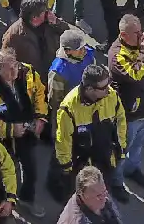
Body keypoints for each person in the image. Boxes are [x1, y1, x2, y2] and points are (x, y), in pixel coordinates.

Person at [0, 48, 48, 217]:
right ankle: (5, 203)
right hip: (4, 142)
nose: (15, 71)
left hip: (27, 135)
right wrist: (11, 129)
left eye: (16, 65)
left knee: (31, 170)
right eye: (9, 68)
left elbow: (39, 93)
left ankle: (27, 199)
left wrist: (40, 117)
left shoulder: (28, 72)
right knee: (4, 174)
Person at [54, 64, 128, 203]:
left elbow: (121, 121)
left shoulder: (112, 96)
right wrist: (66, 166)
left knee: (102, 185)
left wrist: (121, 147)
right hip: (79, 157)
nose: (108, 89)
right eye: (103, 87)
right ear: (89, 89)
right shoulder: (69, 108)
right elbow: (63, 139)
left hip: (103, 154)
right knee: (78, 192)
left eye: (108, 84)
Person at [108, 13, 144, 190]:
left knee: (138, 147)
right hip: (129, 116)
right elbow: (136, 75)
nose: (142, 35)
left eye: (141, 31)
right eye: (137, 33)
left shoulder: (141, 44)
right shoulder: (117, 55)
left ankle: (132, 170)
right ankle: (116, 182)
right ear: (124, 35)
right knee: (122, 151)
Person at [0, 0, 66, 79]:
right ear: (34, 17)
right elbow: (6, 61)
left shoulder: (51, 22)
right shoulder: (14, 35)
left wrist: (57, 23)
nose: (48, 13)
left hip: (52, 73)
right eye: (45, 11)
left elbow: (71, 34)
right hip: (32, 80)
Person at [55, 166, 126, 224]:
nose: (105, 197)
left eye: (105, 191)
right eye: (98, 196)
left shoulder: (100, 195)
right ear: (83, 196)